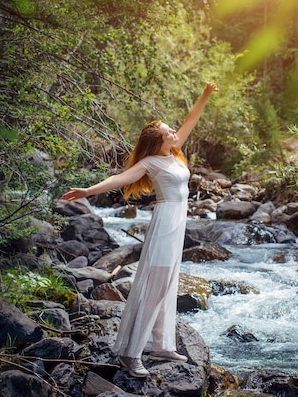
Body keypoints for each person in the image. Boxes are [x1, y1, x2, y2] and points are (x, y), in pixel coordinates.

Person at [61, 82, 219, 377]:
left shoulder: (173, 151)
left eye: (172, 130)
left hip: (177, 226)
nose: (174, 132)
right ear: (157, 141)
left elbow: (190, 121)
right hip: (164, 226)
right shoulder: (150, 162)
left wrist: (205, 94)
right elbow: (119, 179)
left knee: (169, 285)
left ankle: (160, 345)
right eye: (168, 132)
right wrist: (87, 191)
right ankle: (130, 353)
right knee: (155, 288)